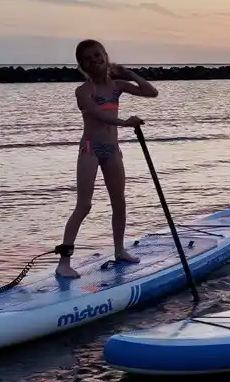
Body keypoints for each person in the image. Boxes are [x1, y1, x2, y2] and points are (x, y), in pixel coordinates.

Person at [54, 39, 158, 280]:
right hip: (90, 149)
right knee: (84, 204)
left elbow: (151, 92)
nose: (95, 61)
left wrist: (129, 73)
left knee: (119, 202)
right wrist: (124, 123)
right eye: (88, 59)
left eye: (98, 55)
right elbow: (97, 113)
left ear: (105, 56)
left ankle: (120, 250)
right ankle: (64, 262)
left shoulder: (117, 86)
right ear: (82, 65)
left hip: (112, 150)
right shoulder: (83, 91)